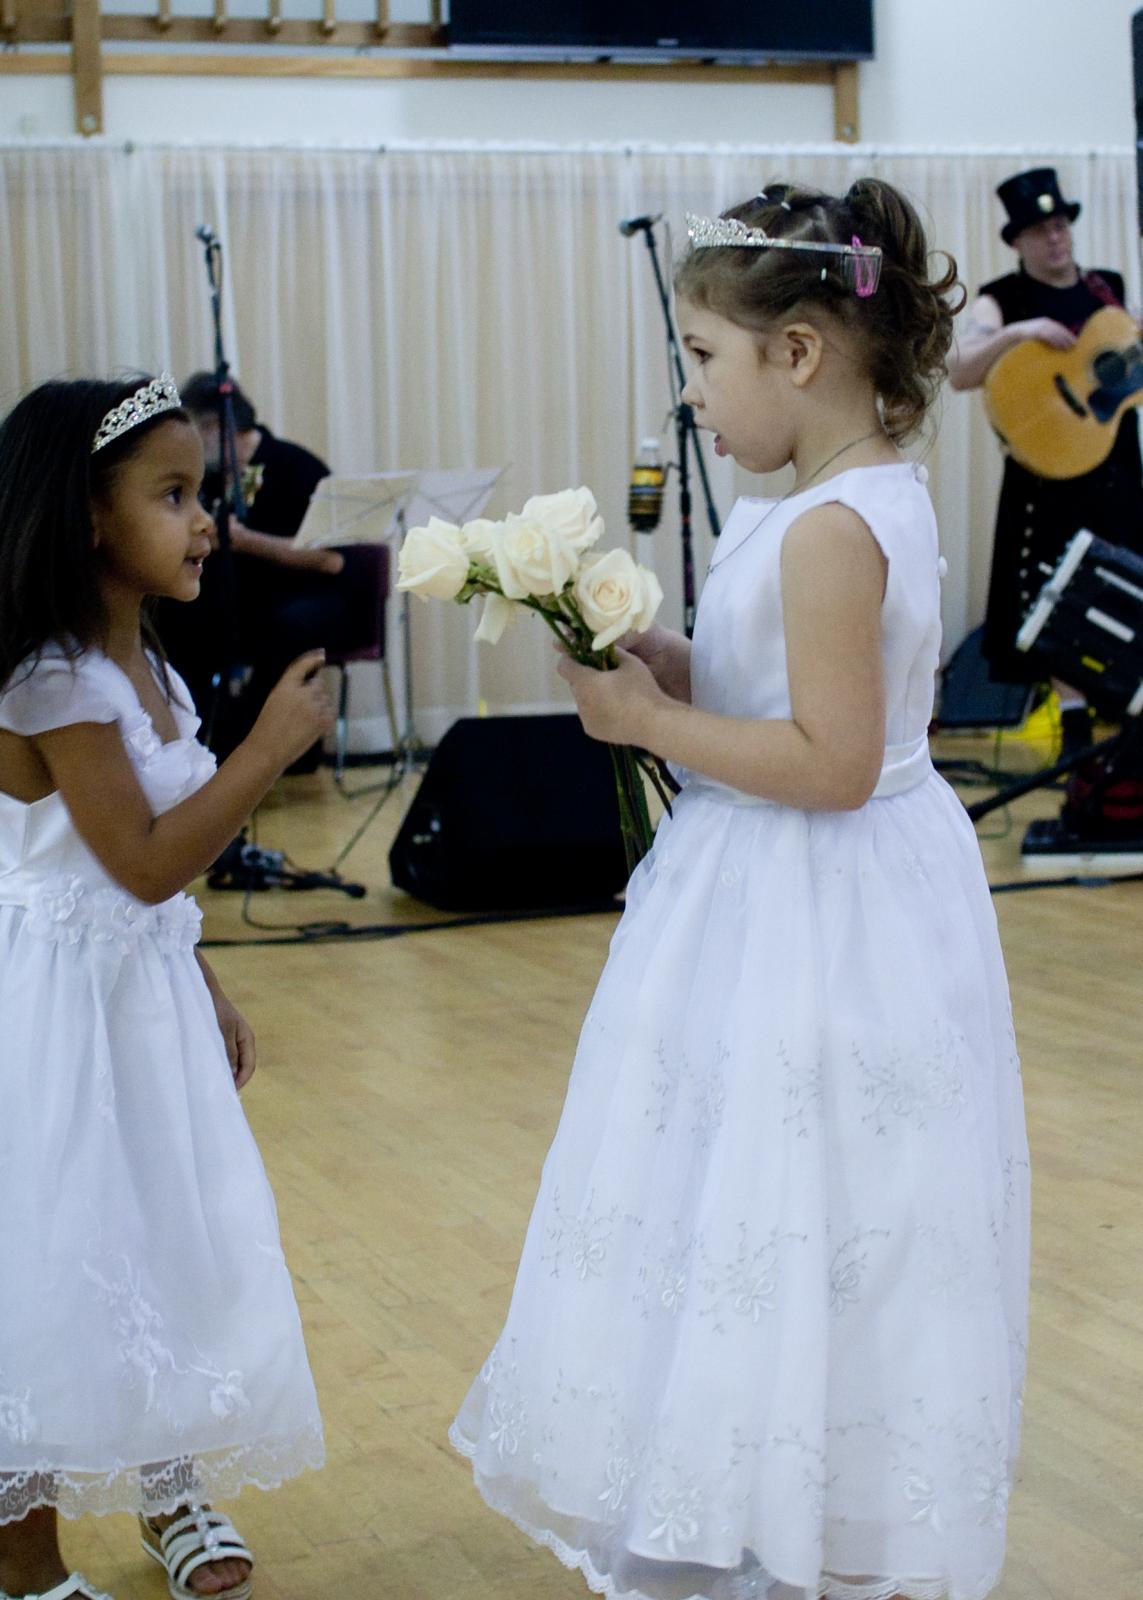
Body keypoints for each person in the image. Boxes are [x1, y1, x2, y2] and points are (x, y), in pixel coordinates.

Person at [450, 181, 1030, 1600]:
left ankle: (782, 1506)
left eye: (704, 357)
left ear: (799, 352)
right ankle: (764, 1487)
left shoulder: (829, 527)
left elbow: (832, 761)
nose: (692, 392)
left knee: (797, 1189)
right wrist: (680, 668)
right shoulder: (840, 501)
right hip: (801, 886)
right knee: (770, 1194)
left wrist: (651, 726)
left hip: (816, 903)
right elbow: (797, 696)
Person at [0, 374, 331, 1600]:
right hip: (51, 1017)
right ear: (90, 515)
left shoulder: (151, 669)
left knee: (164, 1242)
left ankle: (169, 1487)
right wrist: (268, 750)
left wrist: (202, 981)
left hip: (139, 1002)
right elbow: (140, 859)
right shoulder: (50, 683)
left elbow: (152, 890)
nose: (206, 522)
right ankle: (23, 1562)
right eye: (175, 496)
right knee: (53, 1258)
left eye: (204, 494)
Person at [947, 166, 1143, 757]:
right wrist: (1021, 332)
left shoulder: (1107, 289)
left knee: (1123, 595)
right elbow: (959, 369)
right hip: (1045, 483)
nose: (1055, 238)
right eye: (1040, 230)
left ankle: (1126, 731)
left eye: (1060, 226)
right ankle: (1075, 733)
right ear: (1018, 240)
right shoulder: (1002, 299)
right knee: (1056, 599)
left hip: (1113, 473)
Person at [157, 373, 373, 766]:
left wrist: (244, 540)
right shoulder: (209, 480)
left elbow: (331, 559)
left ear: (216, 427)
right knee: (173, 615)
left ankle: (262, 750)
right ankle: (190, 749)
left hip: (309, 598)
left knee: (286, 625)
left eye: (195, 431)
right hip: (239, 601)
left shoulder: (296, 467)